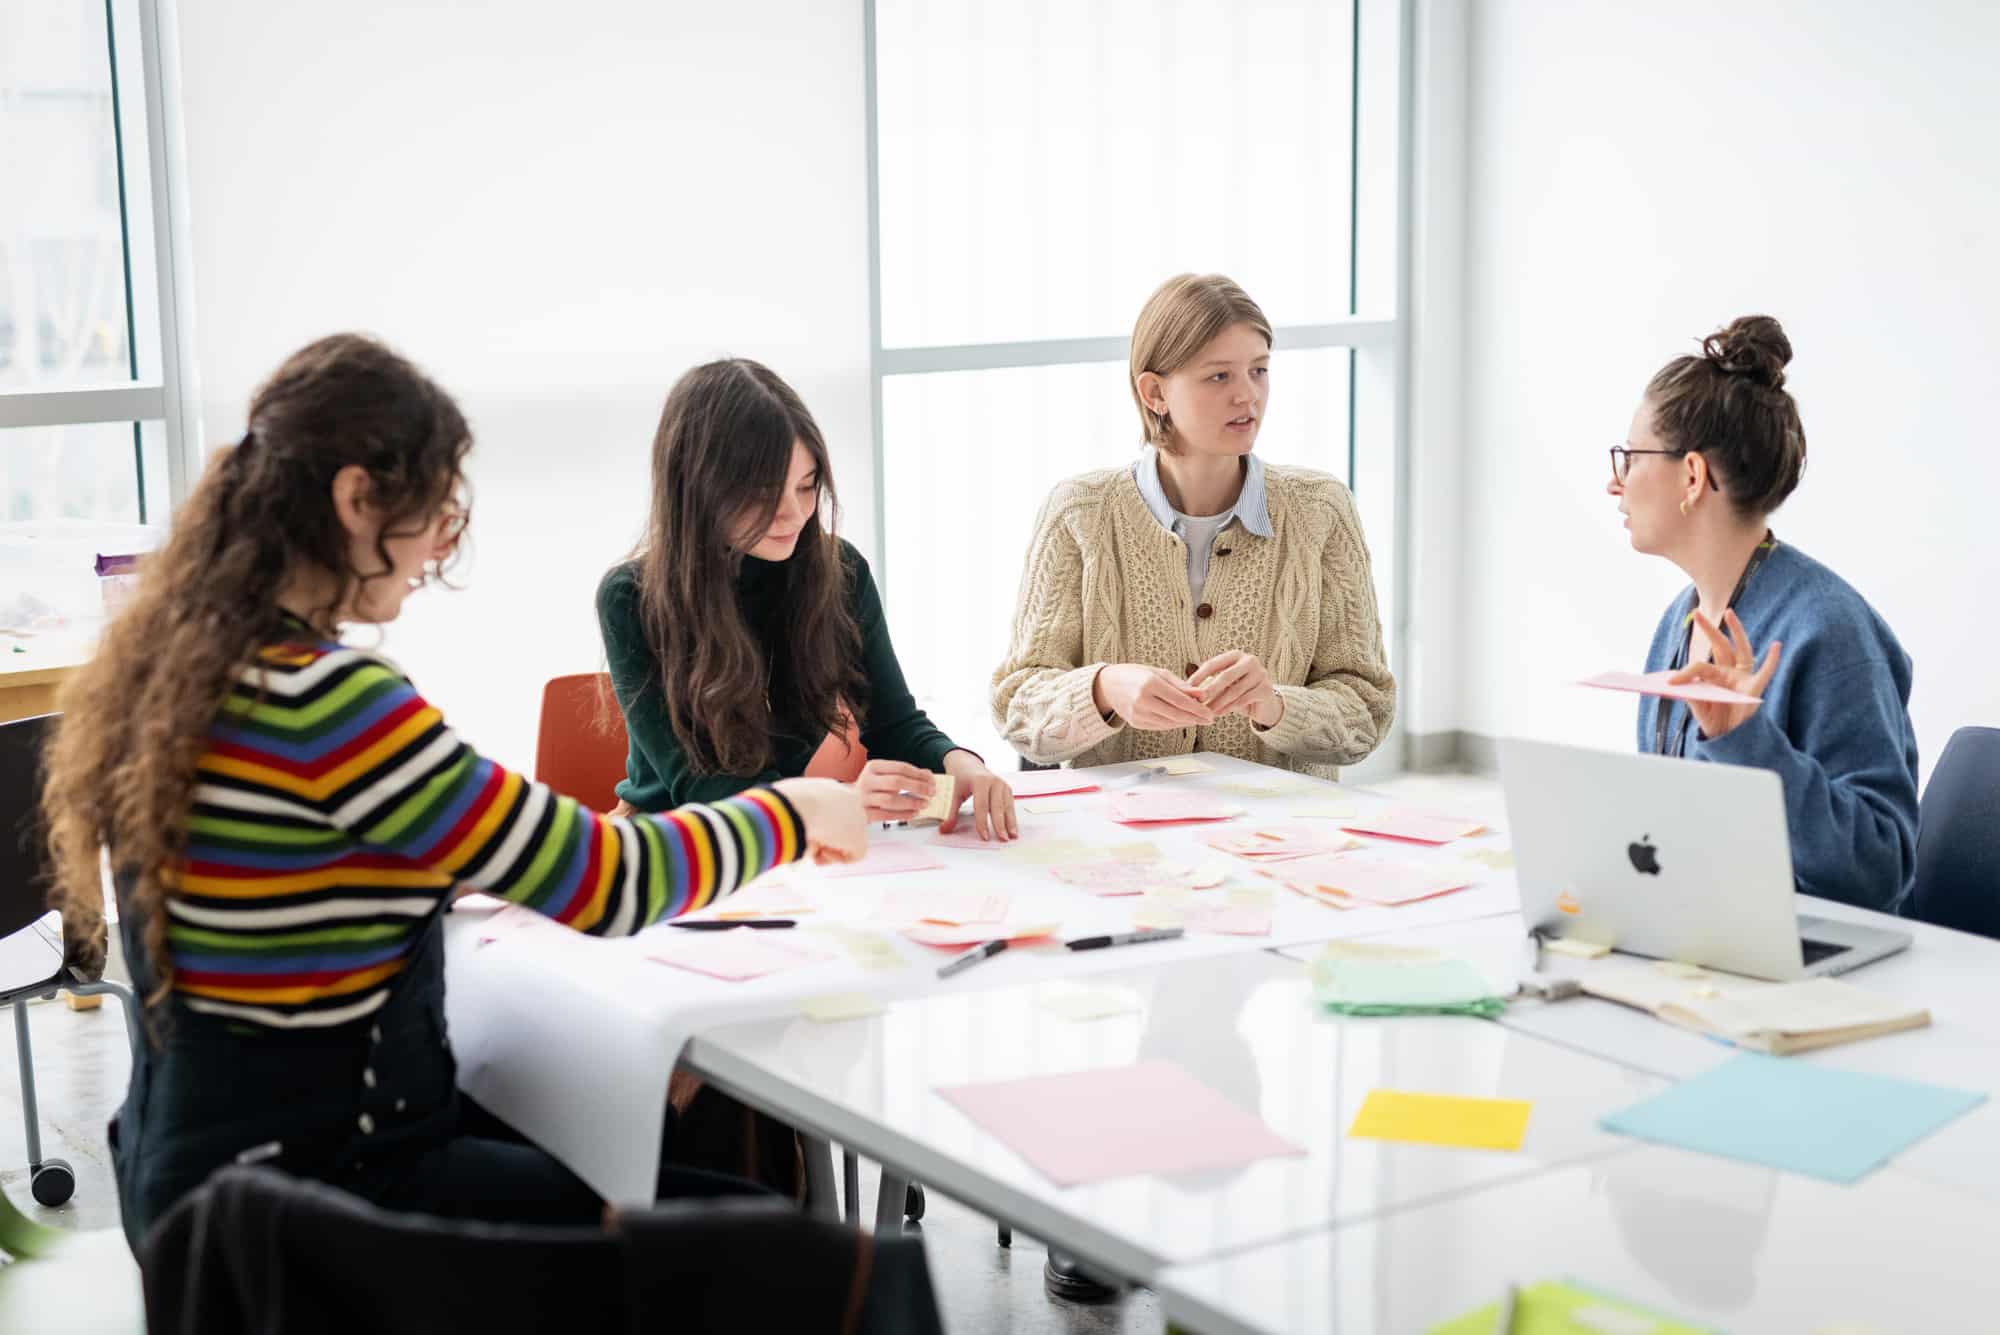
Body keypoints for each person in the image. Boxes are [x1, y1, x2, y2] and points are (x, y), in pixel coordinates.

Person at [38, 334, 867, 1248]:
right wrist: (793, 809)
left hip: (205, 1182)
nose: (443, 542)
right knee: (777, 1243)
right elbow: (611, 881)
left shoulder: (174, 674)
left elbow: (291, 886)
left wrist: (452, 866)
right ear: (356, 499)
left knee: (622, 1127)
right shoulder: (330, 701)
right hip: (332, 1199)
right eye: (436, 508)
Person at [992, 272, 1395, 778]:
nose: (1247, 395)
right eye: (1219, 376)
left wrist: (1276, 706)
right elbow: (1017, 705)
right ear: (1155, 392)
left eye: (1259, 370)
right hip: (1119, 834)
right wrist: (1103, 688)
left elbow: (1367, 711)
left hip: (1276, 836)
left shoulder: (1321, 510)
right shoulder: (1079, 512)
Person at [598, 357, 1017, 840]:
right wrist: (842, 801)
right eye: (762, 493)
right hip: (673, 849)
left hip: (802, 844)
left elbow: (893, 721)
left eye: (807, 485)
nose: (793, 514)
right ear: (698, 488)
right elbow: (704, 790)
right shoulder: (632, 599)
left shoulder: (840, 571)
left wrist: (961, 764)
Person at [1610, 314, 1917, 911]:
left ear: (1691, 475)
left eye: (1630, 457)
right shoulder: (1680, 623)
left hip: (1809, 966)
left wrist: (1746, 740)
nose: (1613, 483)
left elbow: (1878, 867)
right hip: (1712, 932)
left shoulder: (1830, 632)